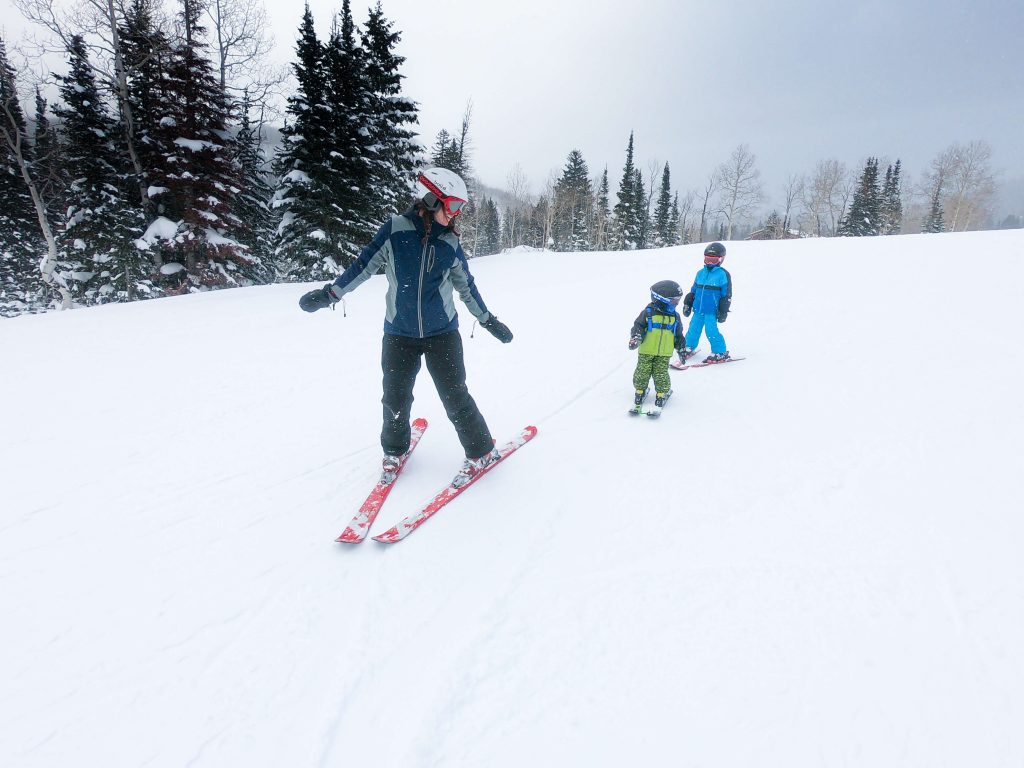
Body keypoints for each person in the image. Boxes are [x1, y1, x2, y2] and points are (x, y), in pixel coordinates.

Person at [298, 167, 513, 488]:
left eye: (460, 210)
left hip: (443, 334)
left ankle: (481, 451)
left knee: (455, 396)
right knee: (395, 399)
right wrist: (331, 294)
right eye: (453, 207)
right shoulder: (396, 231)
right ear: (432, 200)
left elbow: (466, 286)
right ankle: (395, 450)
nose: (456, 216)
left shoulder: (450, 243)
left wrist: (488, 320)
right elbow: (363, 265)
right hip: (399, 334)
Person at [628, 279, 686, 410]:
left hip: (664, 353)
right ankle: (640, 391)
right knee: (642, 372)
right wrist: (636, 337)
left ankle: (661, 393)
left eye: (678, 300)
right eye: (674, 300)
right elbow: (638, 326)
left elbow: (678, 335)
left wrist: (681, 348)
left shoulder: (675, 317)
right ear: (662, 299)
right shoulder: (648, 313)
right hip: (646, 351)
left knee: (661, 374)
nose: (677, 303)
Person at [680, 242, 732, 363]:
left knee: (711, 331)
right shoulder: (700, 273)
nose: (710, 263)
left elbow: (726, 295)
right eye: (707, 259)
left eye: (713, 260)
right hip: (698, 309)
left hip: (712, 310)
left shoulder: (723, 274)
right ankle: (688, 347)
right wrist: (688, 303)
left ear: (721, 259)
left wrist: (723, 310)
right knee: (693, 329)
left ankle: (720, 352)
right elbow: (694, 290)